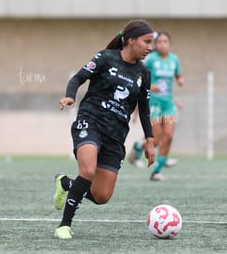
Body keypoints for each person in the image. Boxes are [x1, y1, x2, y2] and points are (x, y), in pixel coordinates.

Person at [54, 20, 156, 239]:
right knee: (88, 171)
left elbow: (145, 107)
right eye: (146, 42)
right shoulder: (105, 58)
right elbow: (78, 78)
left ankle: (65, 183)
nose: (150, 47)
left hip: (116, 135)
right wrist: (70, 96)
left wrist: (149, 139)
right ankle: (64, 225)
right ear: (131, 40)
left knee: (101, 196)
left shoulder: (144, 73)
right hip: (90, 121)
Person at [128, 32, 184, 181]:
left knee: (169, 137)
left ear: (169, 44)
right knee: (157, 140)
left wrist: (180, 80)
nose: (162, 44)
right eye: (159, 42)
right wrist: (150, 86)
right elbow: (139, 76)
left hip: (168, 106)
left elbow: (178, 75)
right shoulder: (151, 59)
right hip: (153, 105)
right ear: (155, 44)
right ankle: (139, 146)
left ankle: (156, 172)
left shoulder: (174, 59)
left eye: (165, 41)